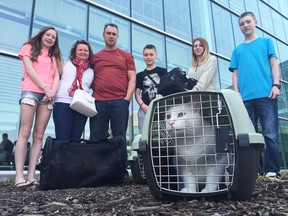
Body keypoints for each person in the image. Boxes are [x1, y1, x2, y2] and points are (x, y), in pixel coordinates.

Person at [229, 12, 281, 179]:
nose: (245, 25)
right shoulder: (237, 50)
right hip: (245, 99)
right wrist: (236, 92)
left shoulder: (266, 42)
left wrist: (276, 84)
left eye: (248, 22)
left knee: (270, 134)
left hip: (266, 95)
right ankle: (255, 170)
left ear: (255, 22)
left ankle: (272, 170)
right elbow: (235, 73)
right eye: (242, 23)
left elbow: (274, 64)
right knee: (250, 137)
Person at [14, 26, 62, 188]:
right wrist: (45, 88)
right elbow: (29, 69)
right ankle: (19, 176)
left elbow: (56, 77)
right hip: (30, 92)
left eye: (53, 37)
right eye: (48, 35)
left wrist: (53, 91)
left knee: (39, 135)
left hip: (47, 97)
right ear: (42, 35)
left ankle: (32, 175)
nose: (50, 38)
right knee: (24, 132)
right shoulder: (28, 48)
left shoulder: (53, 56)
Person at [89, 23, 136, 142]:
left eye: (114, 34)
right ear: (103, 35)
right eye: (108, 33)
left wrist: (127, 99)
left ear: (117, 36)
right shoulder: (95, 58)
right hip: (98, 102)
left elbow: (132, 78)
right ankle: (97, 161)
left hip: (120, 102)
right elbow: (87, 78)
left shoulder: (126, 56)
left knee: (119, 139)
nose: (111, 36)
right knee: (96, 138)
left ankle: (120, 162)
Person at [53, 40, 94, 142]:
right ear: (75, 52)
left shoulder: (92, 71)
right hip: (63, 103)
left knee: (75, 139)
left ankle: (72, 158)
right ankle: (59, 158)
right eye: (80, 50)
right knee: (62, 137)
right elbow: (53, 79)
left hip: (81, 106)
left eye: (86, 50)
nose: (83, 52)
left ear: (89, 53)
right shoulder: (65, 64)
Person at [135, 44, 167, 133]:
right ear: (143, 56)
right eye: (146, 55)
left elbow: (167, 89)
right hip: (144, 109)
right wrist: (142, 105)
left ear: (156, 55)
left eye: (151, 54)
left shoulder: (162, 71)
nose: (148, 57)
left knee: (163, 135)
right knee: (144, 136)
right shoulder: (140, 75)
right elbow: (137, 93)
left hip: (161, 108)